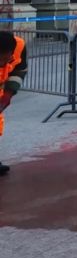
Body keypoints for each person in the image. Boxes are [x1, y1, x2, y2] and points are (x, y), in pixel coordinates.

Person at [0, 32, 28, 176]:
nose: (2, 62)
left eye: (5, 58)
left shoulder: (20, 46)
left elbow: (19, 70)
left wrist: (8, 94)